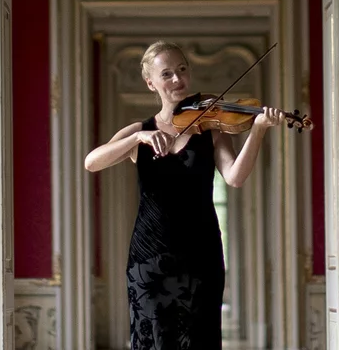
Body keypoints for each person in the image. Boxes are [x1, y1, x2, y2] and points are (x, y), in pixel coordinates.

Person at [83, 41, 282, 349]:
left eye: (182, 69)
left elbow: (235, 177)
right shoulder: (140, 131)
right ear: (151, 82)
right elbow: (92, 162)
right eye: (167, 74)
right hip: (149, 259)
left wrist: (257, 131)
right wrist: (138, 137)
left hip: (200, 256)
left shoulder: (211, 130)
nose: (177, 79)